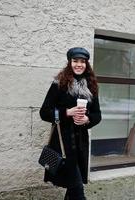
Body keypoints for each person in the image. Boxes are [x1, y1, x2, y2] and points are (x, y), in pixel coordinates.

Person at [39, 47, 102, 200]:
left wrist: (87, 120)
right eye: (75, 61)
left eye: (82, 61)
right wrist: (67, 112)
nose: (79, 64)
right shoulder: (59, 84)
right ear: (70, 63)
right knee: (78, 189)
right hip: (63, 145)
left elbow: (97, 115)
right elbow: (44, 112)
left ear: (86, 64)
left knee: (73, 188)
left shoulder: (91, 87)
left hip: (81, 145)